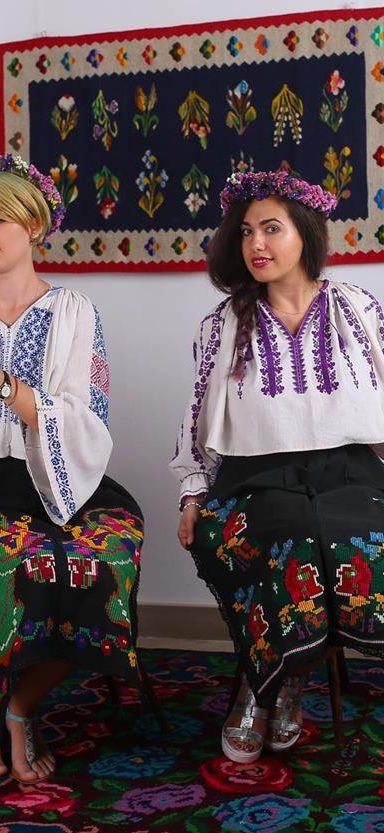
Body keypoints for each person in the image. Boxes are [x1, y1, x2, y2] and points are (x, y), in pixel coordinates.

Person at [170, 168, 384, 763]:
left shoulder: (358, 308)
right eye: (246, 232)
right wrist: (192, 494)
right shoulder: (221, 325)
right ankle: (263, 681)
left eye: (271, 229)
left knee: (359, 535)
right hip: (256, 479)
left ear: (306, 233)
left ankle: (288, 680)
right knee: (289, 537)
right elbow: (196, 421)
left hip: (351, 473)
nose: (256, 244)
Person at [0, 154, 143, 783]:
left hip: (56, 483)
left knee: (92, 570)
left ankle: (20, 708)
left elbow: (87, 415)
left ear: (33, 226)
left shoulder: (73, 310)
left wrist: (10, 388)